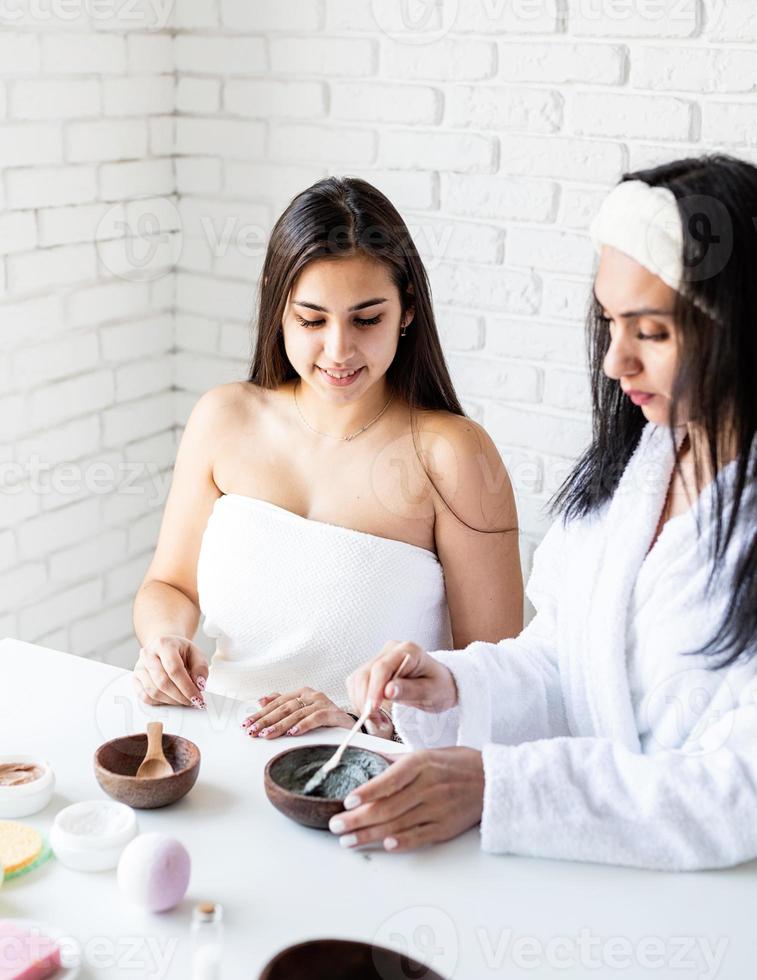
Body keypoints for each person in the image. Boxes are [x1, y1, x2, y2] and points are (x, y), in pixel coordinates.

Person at [337, 155, 757, 870]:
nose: (613, 362)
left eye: (649, 333)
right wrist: (449, 687)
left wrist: (498, 788)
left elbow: (736, 793)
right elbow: (566, 664)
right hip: (587, 875)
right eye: (608, 323)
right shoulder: (636, 473)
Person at [131, 176, 523, 740]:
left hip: (364, 774)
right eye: (312, 320)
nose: (338, 350)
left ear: (407, 310)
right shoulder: (225, 419)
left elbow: (498, 681)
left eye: (367, 319)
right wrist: (167, 643)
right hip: (216, 745)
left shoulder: (452, 455)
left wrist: (361, 725)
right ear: (278, 306)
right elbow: (170, 588)